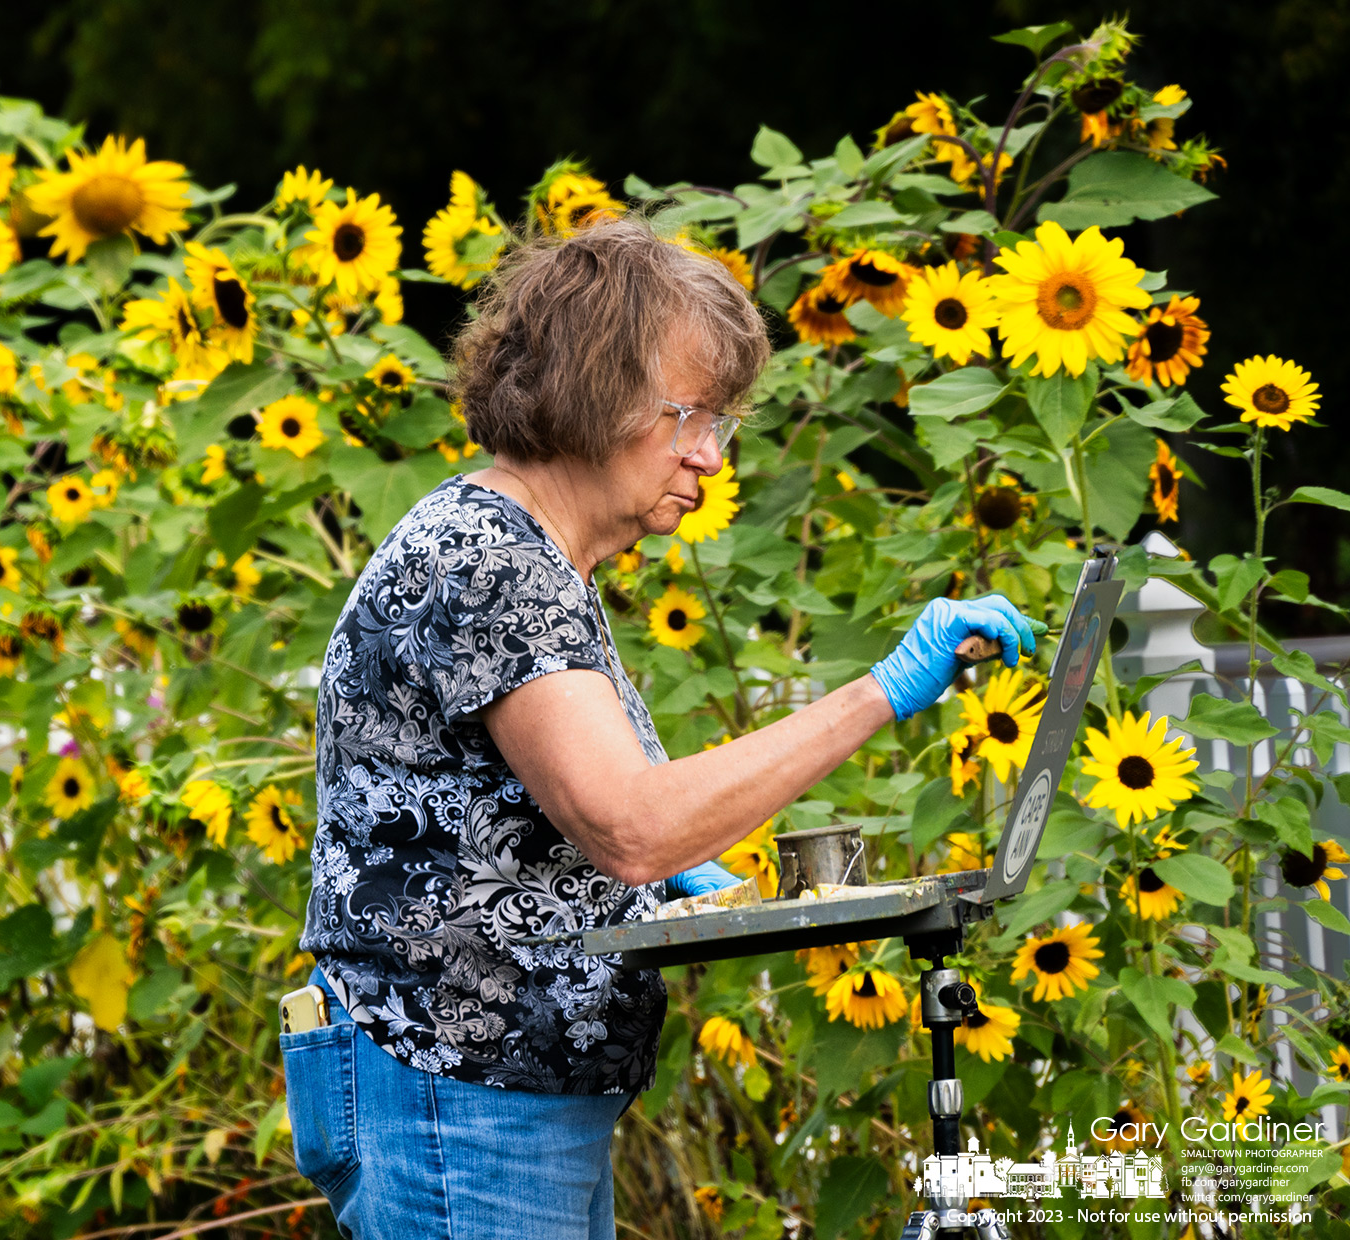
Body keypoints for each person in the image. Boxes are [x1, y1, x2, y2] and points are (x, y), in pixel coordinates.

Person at [283, 217, 1036, 1239]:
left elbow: (548, 818)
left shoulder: (536, 558)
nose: (711, 456)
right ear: (597, 390)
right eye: (691, 415)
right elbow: (631, 823)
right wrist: (883, 692)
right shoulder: (490, 560)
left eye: (722, 423)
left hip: (493, 1095)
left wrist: (681, 877)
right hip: (458, 1093)